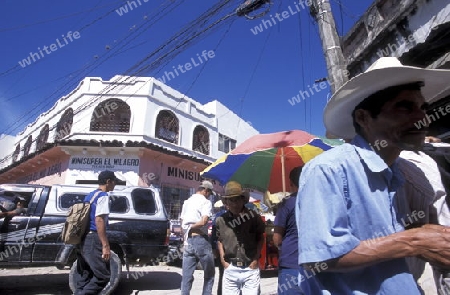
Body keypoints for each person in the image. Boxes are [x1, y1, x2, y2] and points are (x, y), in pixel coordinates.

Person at [296, 56, 450, 294]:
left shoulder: (401, 173)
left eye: (422, 108)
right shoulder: (329, 169)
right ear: (364, 118)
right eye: (404, 107)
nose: (422, 118)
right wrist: (415, 240)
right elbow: (319, 258)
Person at [216, 181, 265, 295]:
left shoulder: (253, 217)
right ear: (226, 202)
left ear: (243, 200)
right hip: (231, 268)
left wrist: (255, 259)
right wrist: (223, 261)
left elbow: (260, 237)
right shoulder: (221, 220)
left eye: (237, 199)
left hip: (250, 268)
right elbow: (220, 240)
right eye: (231, 200)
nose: (234, 203)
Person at [74, 170, 118, 295]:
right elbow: (99, 220)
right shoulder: (103, 196)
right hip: (93, 239)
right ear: (108, 181)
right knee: (103, 276)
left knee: (85, 275)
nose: (115, 185)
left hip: (82, 238)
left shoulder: (90, 195)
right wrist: (105, 245)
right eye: (114, 182)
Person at [180, 180, 215, 295]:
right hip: (200, 239)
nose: (209, 196)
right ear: (206, 190)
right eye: (209, 193)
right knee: (209, 274)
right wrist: (191, 227)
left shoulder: (187, 202)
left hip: (188, 241)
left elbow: (182, 223)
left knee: (186, 276)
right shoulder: (206, 202)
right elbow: (204, 221)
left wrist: (185, 234)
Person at [210, 204, 228, 295]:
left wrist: (214, 248)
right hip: (224, 249)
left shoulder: (218, 215)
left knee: (222, 274)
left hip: (221, 249)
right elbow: (214, 234)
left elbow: (213, 235)